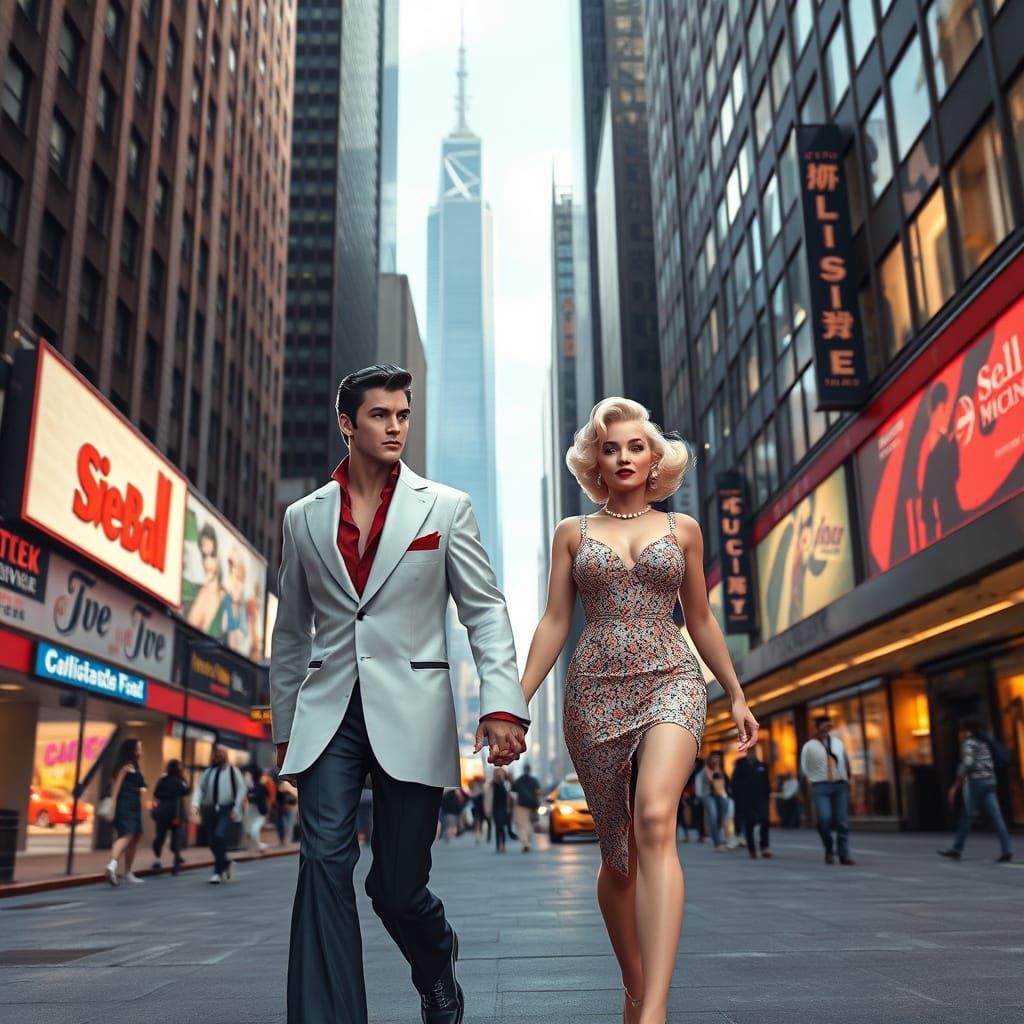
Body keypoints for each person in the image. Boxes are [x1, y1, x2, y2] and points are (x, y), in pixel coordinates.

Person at [270, 364, 529, 1024]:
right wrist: (284, 727)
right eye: (381, 415)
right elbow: (291, 632)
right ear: (347, 423)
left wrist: (502, 704)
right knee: (322, 861)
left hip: (413, 711)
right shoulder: (303, 519)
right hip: (329, 712)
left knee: (396, 888)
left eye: (403, 414)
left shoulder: (445, 508)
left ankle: (436, 957)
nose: (395, 426)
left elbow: (486, 611)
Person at [518, 397, 759, 1023]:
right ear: (595, 460)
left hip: (672, 679)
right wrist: (513, 701)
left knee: (655, 818)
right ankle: (634, 984)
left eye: (635, 446)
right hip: (594, 689)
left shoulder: (683, 531)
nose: (623, 457)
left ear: (655, 458)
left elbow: (700, 620)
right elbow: (554, 621)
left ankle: (653, 1011)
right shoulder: (572, 533)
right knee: (617, 857)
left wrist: (733, 692)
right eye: (610, 447)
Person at [938, 715, 1013, 863]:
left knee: (966, 816)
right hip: (990, 781)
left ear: (965, 729)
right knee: (997, 817)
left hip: (975, 783)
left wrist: (955, 786)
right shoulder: (985, 741)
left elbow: (968, 764)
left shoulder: (969, 742)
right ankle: (1007, 850)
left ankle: (957, 849)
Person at [800, 714, 855, 866]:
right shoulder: (809, 746)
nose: (827, 728)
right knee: (824, 819)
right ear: (817, 728)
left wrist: (849, 779)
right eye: (824, 725)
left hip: (840, 784)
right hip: (820, 785)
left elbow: (845, 761)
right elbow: (804, 769)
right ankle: (829, 849)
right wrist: (809, 786)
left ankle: (844, 854)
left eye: (829, 725)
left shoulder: (838, 743)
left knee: (842, 821)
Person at [191, 744, 246, 883]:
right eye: (216, 753)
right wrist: (195, 804)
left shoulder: (233, 771)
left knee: (219, 835)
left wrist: (236, 807)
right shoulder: (208, 772)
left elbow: (241, 789)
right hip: (209, 808)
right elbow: (200, 789)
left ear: (226, 755)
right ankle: (225, 862)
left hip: (225, 808)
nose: (218, 755)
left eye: (221, 753)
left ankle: (217, 871)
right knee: (211, 840)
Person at [105, 738, 147, 886]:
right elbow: (116, 786)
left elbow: (142, 786)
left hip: (134, 805)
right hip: (125, 804)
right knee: (127, 834)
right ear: (132, 750)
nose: (140, 752)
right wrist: (113, 803)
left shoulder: (134, 767)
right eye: (138, 748)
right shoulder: (125, 766)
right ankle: (112, 864)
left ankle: (128, 872)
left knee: (135, 836)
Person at [151, 758, 191, 874]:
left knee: (160, 836)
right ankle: (176, 862)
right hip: (176, 813)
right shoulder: (180, 780)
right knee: (177, 837)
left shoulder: (162, 779)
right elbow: (186, 791)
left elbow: (156, 793)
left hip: (162, 813)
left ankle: (158, 860)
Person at [731, 748, 771, 859]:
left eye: (754, 751)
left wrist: (767, 796)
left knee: (765, 821)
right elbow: (735, 783)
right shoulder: (741, 766)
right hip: (747, 800)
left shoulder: (762, 766)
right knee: (750, 823)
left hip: (761, 799)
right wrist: (738, 798)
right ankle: (752, 848)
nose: (752, 753)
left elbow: (766, 782)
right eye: (750, 751)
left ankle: (765, 847)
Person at [187, 523, 223, 632]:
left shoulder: (215, 562)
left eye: (207, 542)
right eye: (203, 544)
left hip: (213, 596)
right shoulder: (203, 559)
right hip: (206, 595)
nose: (205, 546)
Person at [702, 752, 731, 852]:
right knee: (713, 817)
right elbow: (711, 779)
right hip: (709, 795)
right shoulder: (706, 768)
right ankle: (717, 843)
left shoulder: (722, 769)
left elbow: (725, 782)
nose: (716, 760)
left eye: (718, 758)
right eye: (714, 758)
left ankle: (723, 838)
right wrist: (715, 768)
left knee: (721, 819)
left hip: (721, 795)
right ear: (710, 759)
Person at [511, 763, 542, 852]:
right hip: (533, 805)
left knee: (522, 825)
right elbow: (538, 792)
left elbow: (513, 790)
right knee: (531, 823)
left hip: (522, 805)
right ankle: (528, 838)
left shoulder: (519, 780)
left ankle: (525, 843)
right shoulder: (534, 780)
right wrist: (537, 801)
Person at [243, 762, 270, 854]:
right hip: (251, 812)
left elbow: (262, 798)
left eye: (248, 775)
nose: (246, 777)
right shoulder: (248, 787)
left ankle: (260, 846)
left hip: (259, 813)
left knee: (254, 830)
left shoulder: (261, 787)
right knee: (249, 830)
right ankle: (256, 847)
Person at [490, 768, 513, 853]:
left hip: (503, 808)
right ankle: (498, 846)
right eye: (498, 773)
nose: (500, 774)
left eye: (501, 773)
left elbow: (508, 797)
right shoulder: (492, 783)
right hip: (495, 807)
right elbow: (489, 796)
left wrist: (508, 808)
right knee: (497, 827)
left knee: (502, 827)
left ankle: (503, 845)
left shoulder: (506, 783)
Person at [275, 776, 298, 846]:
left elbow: (294, 797)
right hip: (283, 808)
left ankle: (287, 840)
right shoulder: (283, 786)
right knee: (285, 824)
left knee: (288, 823)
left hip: (287, 808)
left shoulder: (286, 786)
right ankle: (285, 840)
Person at [468, 777, 487, 845]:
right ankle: (477, 837)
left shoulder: (476, 790)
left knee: (478, 824)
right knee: (478, 824)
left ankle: (478, 837)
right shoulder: (477, 790)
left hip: (478, 809)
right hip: (477, 810)